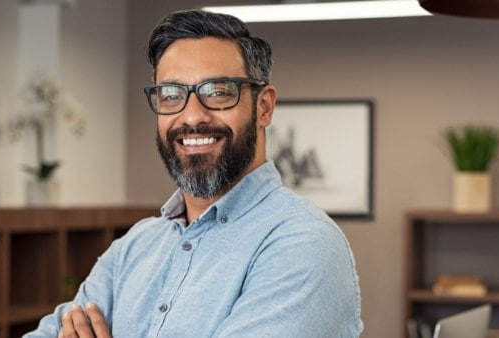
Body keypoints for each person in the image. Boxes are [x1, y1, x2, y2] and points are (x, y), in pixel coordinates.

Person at [26, 9, 363, 338]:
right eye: (171, 95)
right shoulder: (134, 247)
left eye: (217, 92)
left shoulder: (303, 244)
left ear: (264, 107)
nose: (191, 116)